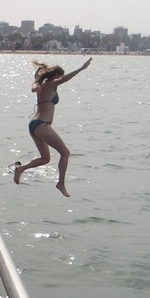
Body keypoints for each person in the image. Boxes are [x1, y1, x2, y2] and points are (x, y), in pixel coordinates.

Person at [13, 57, 92, 197]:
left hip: (34, 125)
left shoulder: (39, 86)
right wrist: (81, 69)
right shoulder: (51, 84)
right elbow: (64, 79)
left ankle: (21, 169)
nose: (59, 80)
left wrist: (38, 78)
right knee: (65, 153)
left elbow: (33, 88)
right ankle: (60, 183)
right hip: (42, 125)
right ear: (56, 76)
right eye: (59, 76)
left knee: (45, 159)